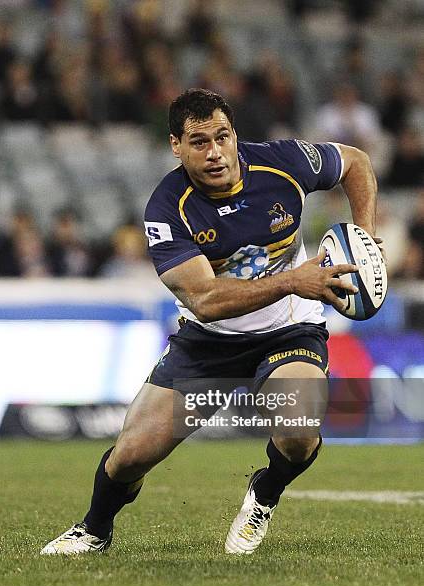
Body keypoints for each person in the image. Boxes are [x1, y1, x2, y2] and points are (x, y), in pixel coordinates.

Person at [41, 88, 378, 556]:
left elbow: (356, 162)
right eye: (199, 141)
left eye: (223, 137)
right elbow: (205, 300)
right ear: (175, 146)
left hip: (289, 330)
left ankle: (265, 493)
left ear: (236, 135)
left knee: (299, 431)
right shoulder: (167, 209)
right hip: (209, 342)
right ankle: (95, 529)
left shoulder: (282, 164)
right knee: (130, 457)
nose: (216, 152)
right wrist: (291, 281)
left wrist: (366, 238)